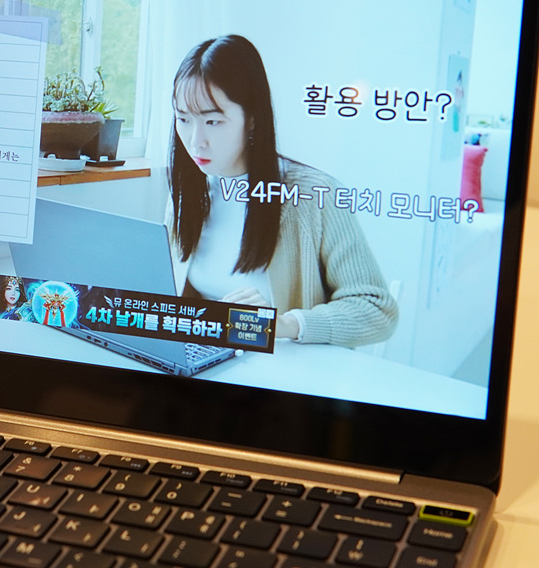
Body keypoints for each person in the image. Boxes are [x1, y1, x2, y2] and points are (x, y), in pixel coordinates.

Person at [168, 35, 397, 346]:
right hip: (211, 358)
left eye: (213, 122)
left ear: (251, 119)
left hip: (287, 366)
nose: (196, 141)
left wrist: (283, 324)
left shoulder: (315, 195)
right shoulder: (188, 193)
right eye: (183, 119)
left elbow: (376, 310)